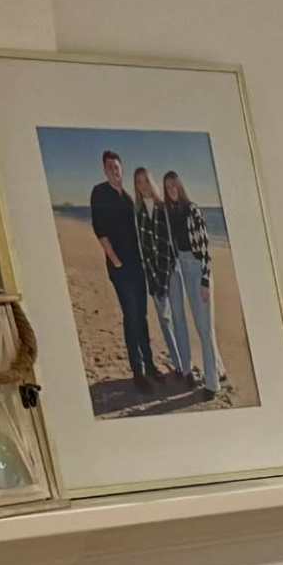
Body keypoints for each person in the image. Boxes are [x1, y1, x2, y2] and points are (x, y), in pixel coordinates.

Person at [85, 152, 154, 393]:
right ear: (105, 170)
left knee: (142, 316)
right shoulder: (100, 192)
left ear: (122, 169)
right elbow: (99, 229)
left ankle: (150, 365)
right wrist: (115, 260)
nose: (114, 170)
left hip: (137, 266)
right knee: (131, 316)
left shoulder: (127, 197)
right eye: (110, 167)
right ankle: (138, 373)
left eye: (117, 166)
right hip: (120, 268)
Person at [160, 170, 219, 394]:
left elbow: (205, 248)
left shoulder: (192, 209)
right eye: (168, 187)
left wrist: (205, 280)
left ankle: (212, 385)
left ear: (180, 186)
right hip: (182, 267)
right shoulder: (170, 212)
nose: (172, 190)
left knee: (205, 327)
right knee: (199, 325)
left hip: (197, 268)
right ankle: (217, 371)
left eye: (174, 185)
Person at [134, 156, 184, 383]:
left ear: (151, 181)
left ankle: (185, 365)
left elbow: (171, 243)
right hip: (153, 274)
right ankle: (178, 365)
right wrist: (152, 277)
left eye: (146, 180)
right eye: (139, 182)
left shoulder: (163, 208)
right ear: (136, 186)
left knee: (178, 318)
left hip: (171, 269)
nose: (143, 185)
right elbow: (144, 248)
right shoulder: (137, 213)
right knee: (165, 321)